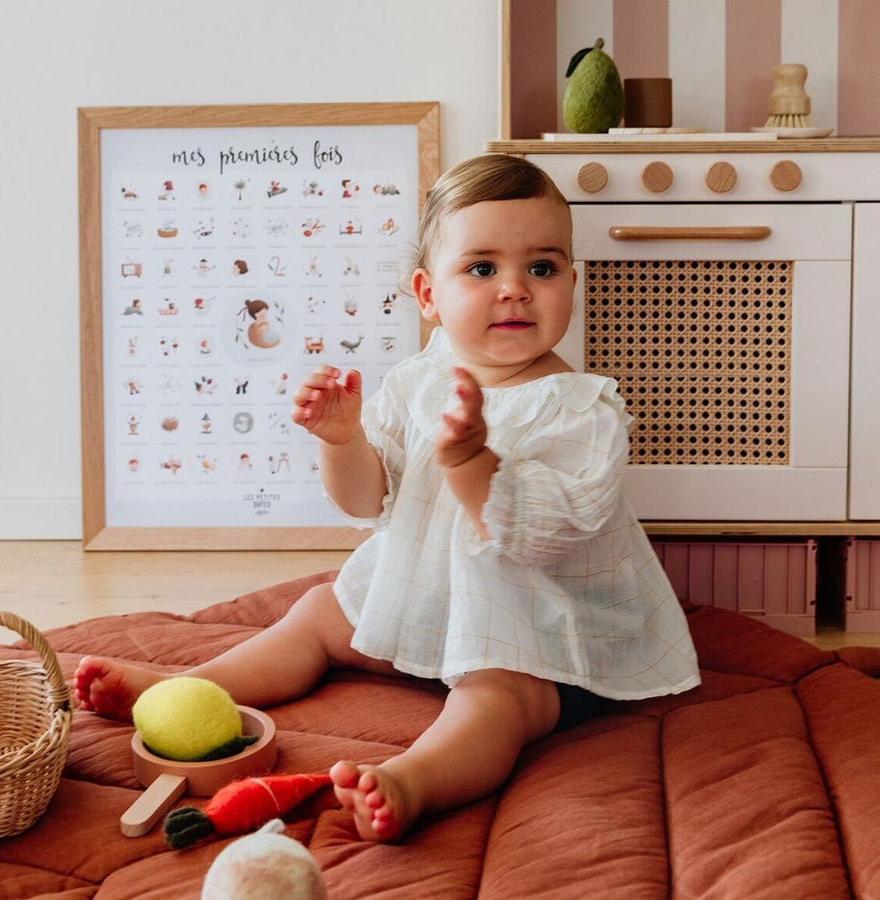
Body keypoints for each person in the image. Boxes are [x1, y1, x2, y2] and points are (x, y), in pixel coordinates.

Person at [74, 154, 700, 843]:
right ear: (428, 295)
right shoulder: (418, 379)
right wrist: (342, 443)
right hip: (429, 594)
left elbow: (545, 536)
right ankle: (185, 690)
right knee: (318, 612)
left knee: (496, 699)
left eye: (543, 269)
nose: (516, 289)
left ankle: (414, 780)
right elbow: (368, 502)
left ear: (573, 283)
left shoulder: (582, 410)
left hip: (543, 633)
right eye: (483, 268)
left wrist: (472, 464)